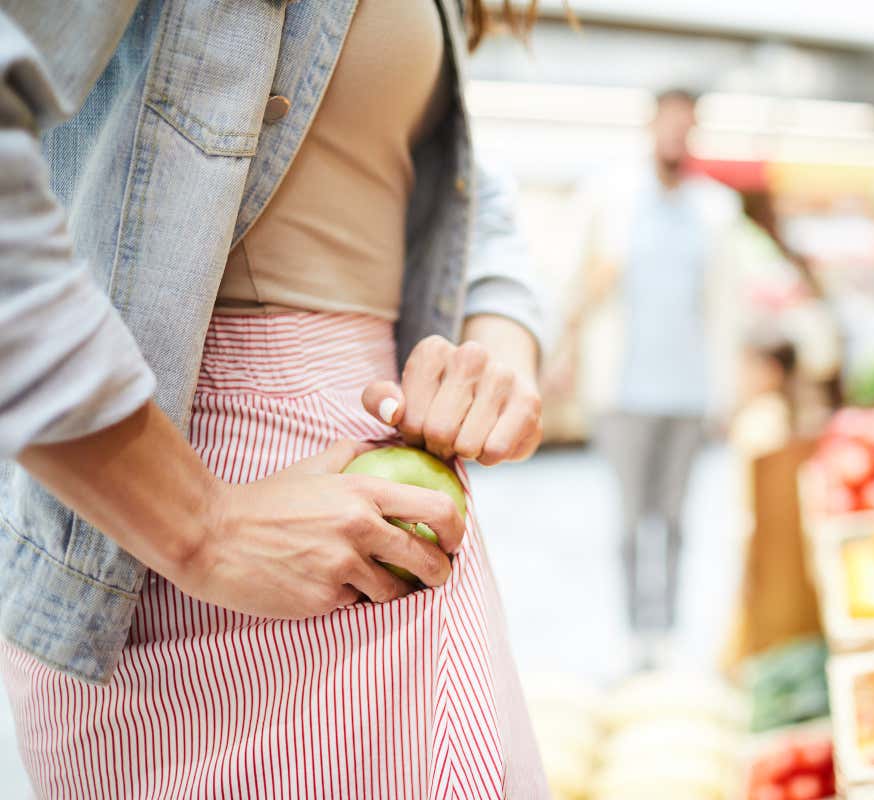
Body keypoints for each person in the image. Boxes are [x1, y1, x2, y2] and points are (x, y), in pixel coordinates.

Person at [0, 1, 550, 796]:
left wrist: (500, 354)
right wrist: (200, 527)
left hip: (381, 521)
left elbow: (469, 186)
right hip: (193, 530)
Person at [560, 88, 740, 664]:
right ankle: (637, 635)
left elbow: (725, 307)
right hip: (624, 392)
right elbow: (577, 280)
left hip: (688, 391)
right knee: (632, 520)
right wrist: (564, 351)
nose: (674, 137)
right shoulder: (610, 197)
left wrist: (728, 390)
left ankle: (669, 630)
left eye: (685, 127)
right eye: (667, 124)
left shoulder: (715, 209)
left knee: (678, 519)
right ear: (651, 126)